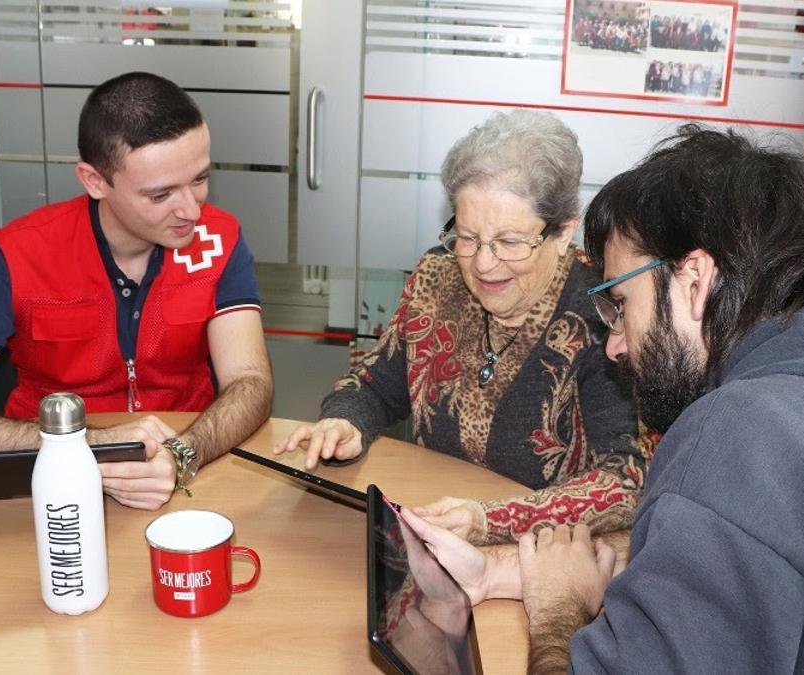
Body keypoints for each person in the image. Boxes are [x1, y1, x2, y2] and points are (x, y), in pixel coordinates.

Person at [400, 124, 804, 672]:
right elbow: (754, 577)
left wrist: (558, 609)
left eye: (621, 305)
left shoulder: (746, 434)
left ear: (695, 281)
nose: (616, 345)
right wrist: (502, 572)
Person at [0, 72, 273, 511]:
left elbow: (250, 381)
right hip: (49, 483)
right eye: (161, 194)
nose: (192, 209)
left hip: (186, 470)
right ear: (94, 181)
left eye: (200, 178)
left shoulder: (220, 239)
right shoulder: (18, 254)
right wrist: (87, 445)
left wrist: (184, 454)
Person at [275, 110, 648, 546]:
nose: (483, 263)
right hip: (431, 528)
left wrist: (491, 520)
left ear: (563, 232)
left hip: (542, 555)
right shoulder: (439, 275)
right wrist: (345, 422)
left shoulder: (600, 315)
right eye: (468, 237)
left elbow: (624, 481)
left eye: (509, 242)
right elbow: (376, 386)